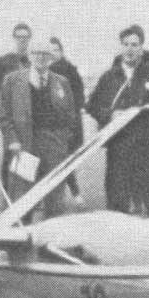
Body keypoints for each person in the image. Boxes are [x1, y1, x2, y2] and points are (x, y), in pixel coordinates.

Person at [87, 24, 149, 216]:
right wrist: (110, 114)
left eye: (134, 45)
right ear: (120, 47)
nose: (129, 49)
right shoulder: (109, 77)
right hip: (120, 150)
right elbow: (93, 106)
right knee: (118, 206)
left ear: (142, 48)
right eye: (125, 44)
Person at [0, 39, 81, 222]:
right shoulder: (12, 80)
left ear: (51, 58)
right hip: (24, 146)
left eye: (45, 54)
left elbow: (70, 115)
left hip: (53, 147)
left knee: (55, 200)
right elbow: (3, 115)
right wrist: (13, 140)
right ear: (29, 56)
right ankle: (20, 237)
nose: (40, 57)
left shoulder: (62, 82)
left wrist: (62, 141)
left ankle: (52, 237)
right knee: (21, 199)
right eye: (36, 53)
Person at [0, 23, 33, 188]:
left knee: (28, 153)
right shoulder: (3, 62)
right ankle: (8, 192)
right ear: (14, 38)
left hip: (29, 115)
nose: (22, 40)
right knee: (10, 151)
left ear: (29, 39)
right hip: (9, 116)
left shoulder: (33, 61)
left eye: (25, 37)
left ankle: (25, 193)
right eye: (19, 37)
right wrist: (4, 110)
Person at [48, 37, 86, 204]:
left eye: (56, 50)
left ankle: (73, 193)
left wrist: (69, 119)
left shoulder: (70, 70)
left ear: (62, 51)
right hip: (49, 125)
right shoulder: (43, 71)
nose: (53, 53)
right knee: (53, 160)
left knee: (66, 160)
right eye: (50, 50)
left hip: (68, 124)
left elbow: (79, 97)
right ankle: (68, 194)